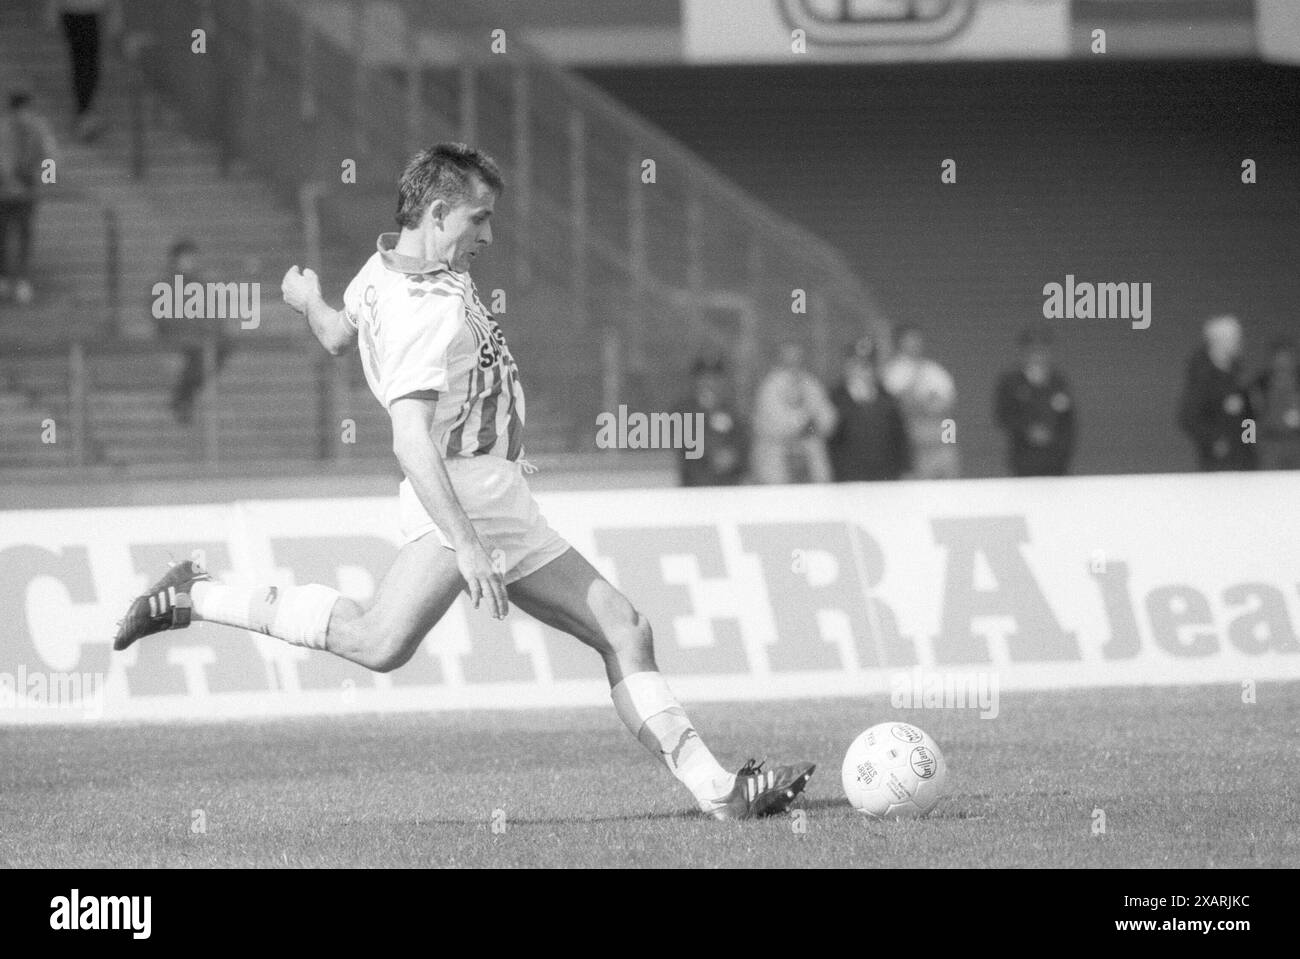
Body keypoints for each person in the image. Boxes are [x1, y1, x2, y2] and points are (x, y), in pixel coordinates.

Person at [112, 143, 813, 821]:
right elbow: (409, 433)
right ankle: (195, 595)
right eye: (479, 218)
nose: (488, 234)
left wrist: (307, 300)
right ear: (440, 212)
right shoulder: (428, 305)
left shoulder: (386, 267)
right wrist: (468, 542)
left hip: (498, 491)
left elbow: (337, 335)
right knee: (378, 641)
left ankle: (721, 792)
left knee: (627, 628)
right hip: (462, 489)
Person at [154, 238, 234, 424]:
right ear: (175, 260)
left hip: (199, 339)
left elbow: (214, 314)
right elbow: (163, 318)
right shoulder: (165, 285)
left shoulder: (200, 284)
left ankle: (184, 396)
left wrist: (212, 329)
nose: (191, 262)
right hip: (179, 338)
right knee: (203, 353)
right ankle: (184, 396)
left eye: (193, 258)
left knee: (221, 347)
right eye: (186, 258)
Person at [1177, 315, 1258, 472]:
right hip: (1218, 462)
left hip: (1244, 456)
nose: (1239, 343)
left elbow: (1246, 415)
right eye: (1234, 339)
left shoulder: (1237, 373)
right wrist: (1215, 441)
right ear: (1219, 341)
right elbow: (1188, 417)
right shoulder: (1203, 375)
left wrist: (1250, 441)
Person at [994, 325, 1077, 477]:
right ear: (1023, 352)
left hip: (1056, 462)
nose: (1037, 355)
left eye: (1042, 349)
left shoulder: (1058, 382)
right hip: (1023, 459)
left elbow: (1069, 422)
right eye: (1032, 350)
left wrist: (1062, 449)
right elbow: (1003, 416)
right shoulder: (1011, 382)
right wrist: (1028, 430)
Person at [751, 341, 837, 484]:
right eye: (790, 357)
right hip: (778, 460)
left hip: (810, 460)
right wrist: (805, 421)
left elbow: (828, 418)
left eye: (798, 357)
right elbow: (778, 423)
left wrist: (814, 424)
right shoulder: (770, 386)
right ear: (781, 358)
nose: (794, 361)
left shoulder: (811, 383)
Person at [0, 90, 57, 305]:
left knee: (25, 230)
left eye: (27, 111)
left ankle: (22, 278)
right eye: (20, 111)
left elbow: (51, 155)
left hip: (27, 185)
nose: (24, 115)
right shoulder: (4, 130)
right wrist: (10, 183)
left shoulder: (39, 128)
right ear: (13, 112)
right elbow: (3, 161)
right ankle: (3, 277)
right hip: (4, 188)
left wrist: (47, 180)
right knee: (2, 231)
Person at [827, 337, 912, 481]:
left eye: (867, 365)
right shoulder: (835, 398)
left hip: (885, 477)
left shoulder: (887, 398)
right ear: (846, 366)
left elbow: (900, 437)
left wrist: (906, 469)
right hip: (848, 479)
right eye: (856, 365)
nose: (862, 371)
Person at [881, 324, 960, 479]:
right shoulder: (893, 371)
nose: (914, 344)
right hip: (915, 446)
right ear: (900, 342)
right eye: (909, 340)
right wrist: (922, 399)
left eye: (917, 339)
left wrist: (927, 403)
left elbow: (948, 403)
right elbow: (901, 404)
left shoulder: (934, 369)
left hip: (943, 441)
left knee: (949, 489)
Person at [676, 357, 749, 486]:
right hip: (696, 487)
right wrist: (713, 454)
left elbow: (742, 440)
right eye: (704, 378)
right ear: (696, 381)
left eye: (714, 378)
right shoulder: (683, 409)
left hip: (729, 486)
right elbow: (686, 440)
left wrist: (733, 455)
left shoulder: (732, 411)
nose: (709, 383)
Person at [1250, 337, 1300, 470]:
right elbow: (1249, 419)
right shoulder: (1260, 385)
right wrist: (1249, 444)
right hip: (1270, 446)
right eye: (1279, 357)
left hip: (1296, 443)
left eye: (1287, 357)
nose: (1283, 362)